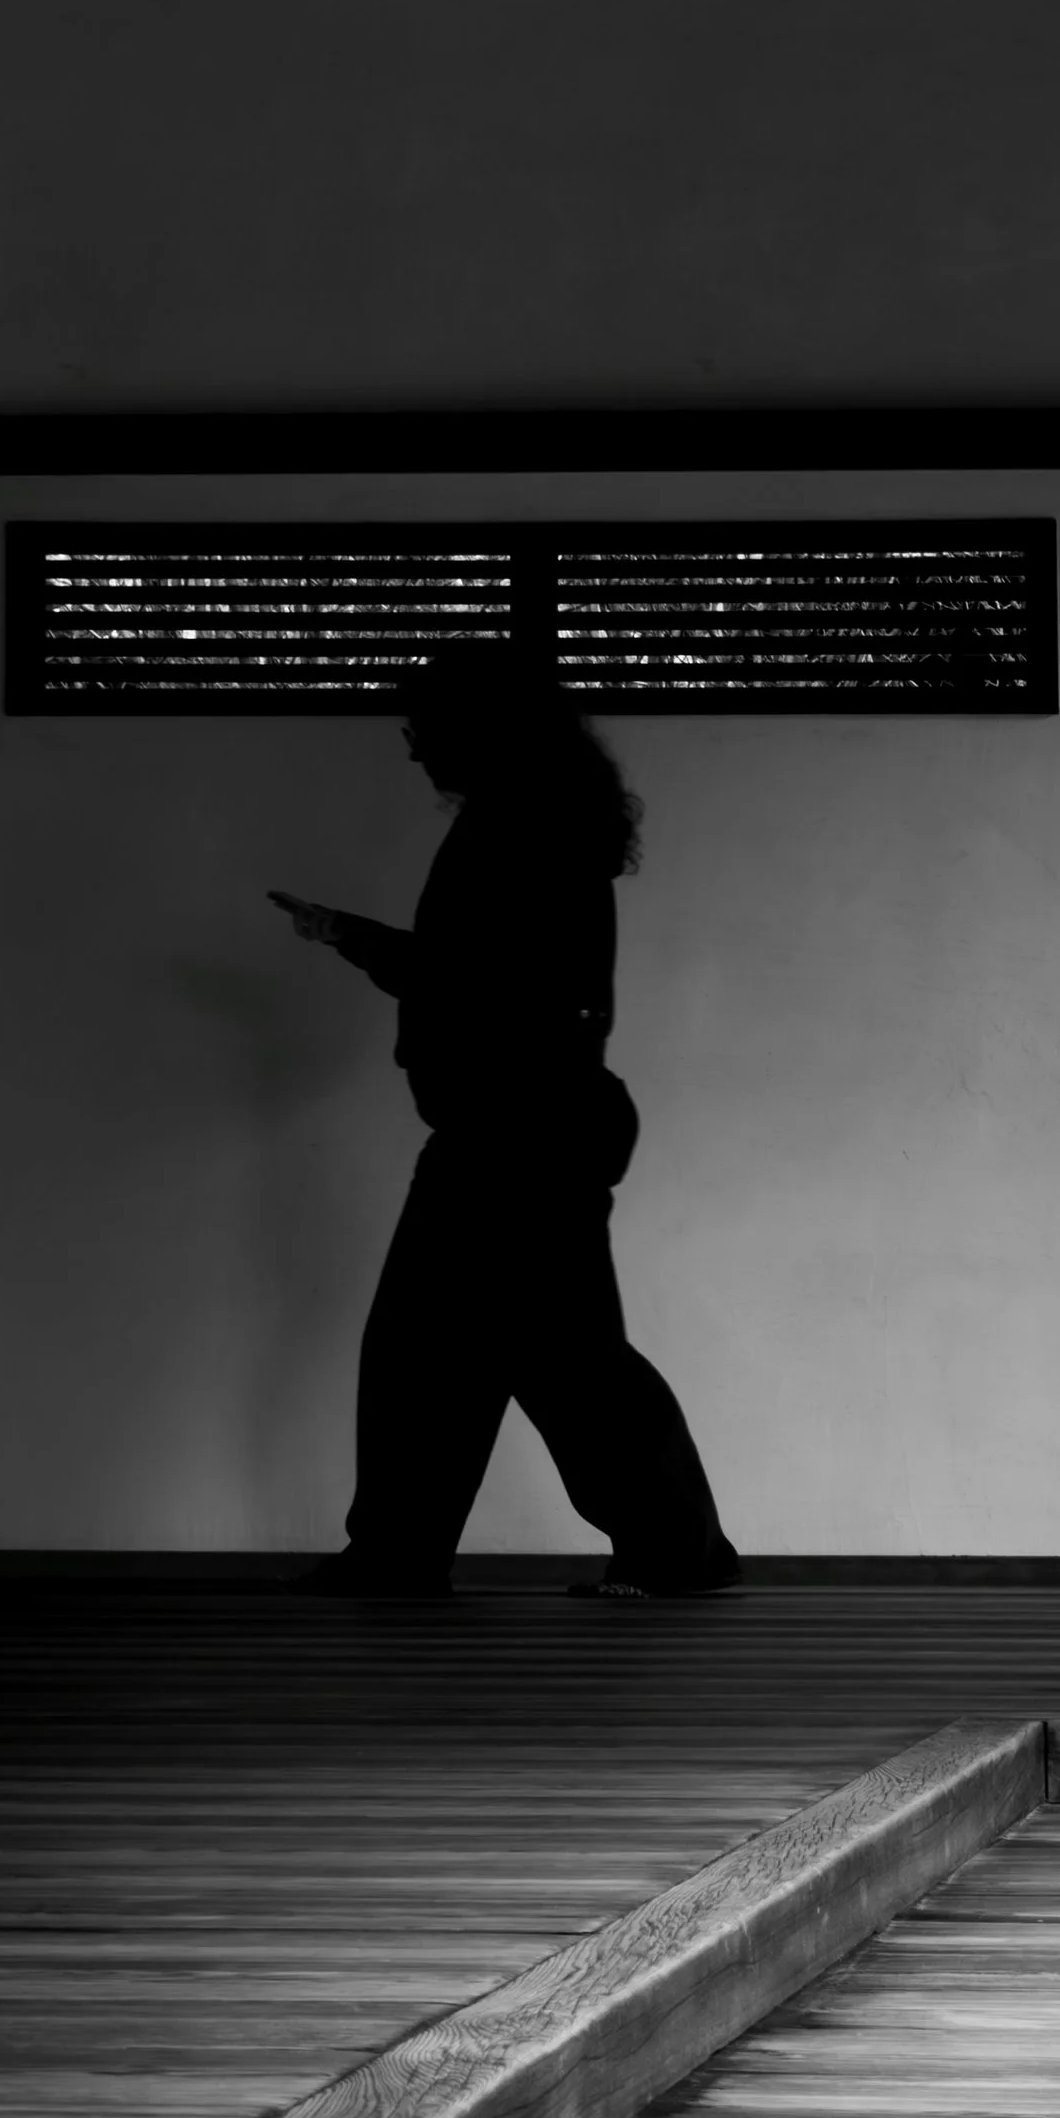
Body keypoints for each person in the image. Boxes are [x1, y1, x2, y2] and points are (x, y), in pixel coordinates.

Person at [283, 639, 741, 1605]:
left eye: (423, 729)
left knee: (494, 1354)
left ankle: (655, 1555)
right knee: (487, 1352)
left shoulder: (523, 828)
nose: (413, 750)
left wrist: (357, 939)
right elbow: (487, 976)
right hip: (530, 1127)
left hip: (520, 1132)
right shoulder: (531, 819)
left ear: (475, 729)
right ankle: (656, 1554)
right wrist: (357, 938)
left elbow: (489, 984)